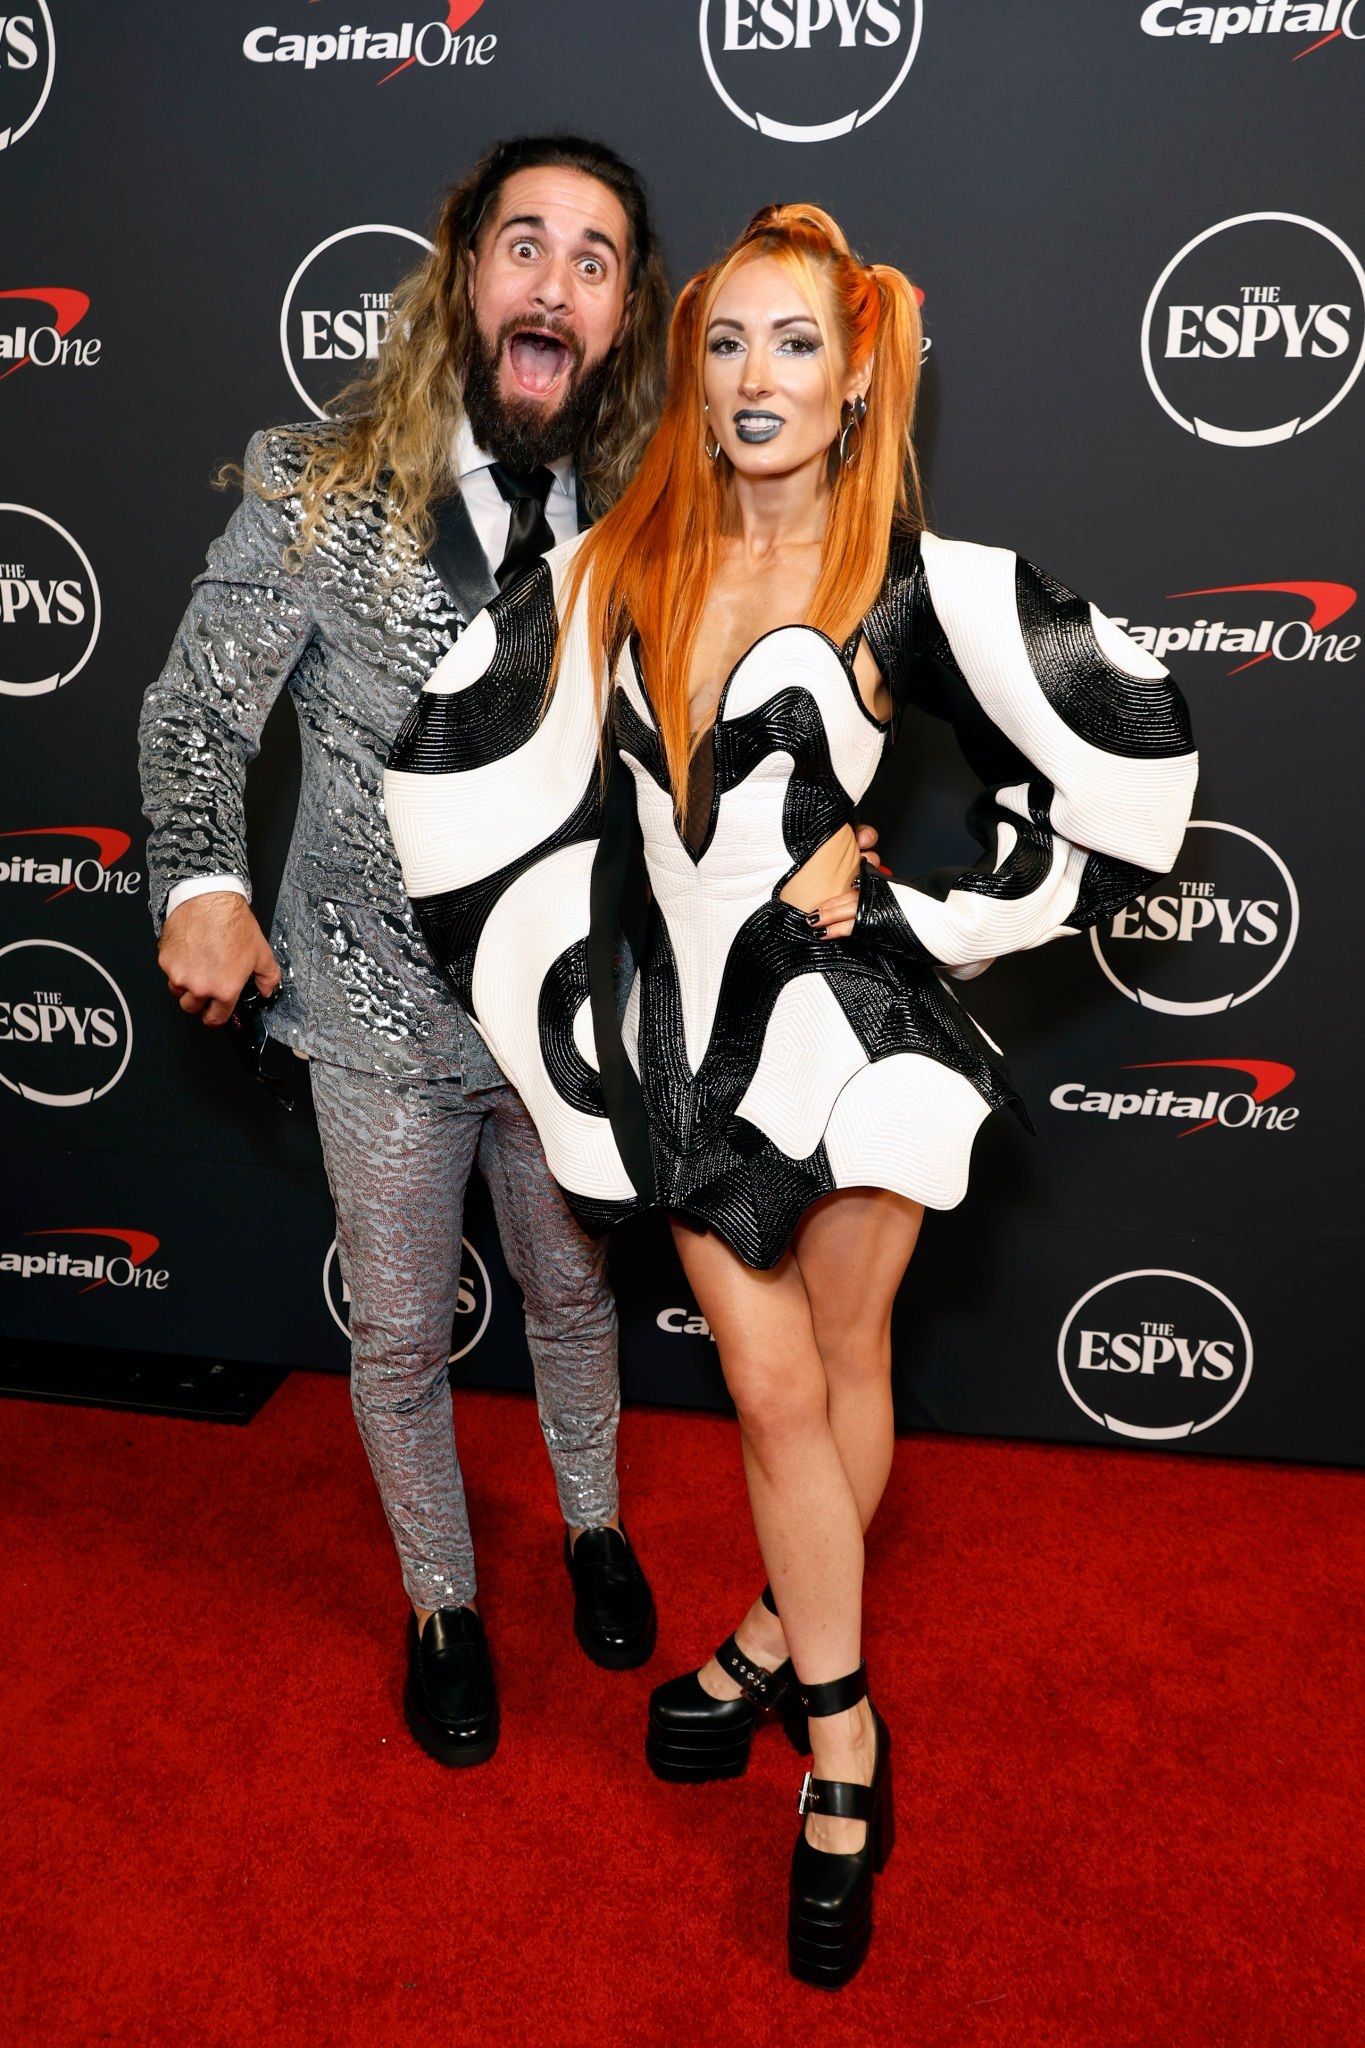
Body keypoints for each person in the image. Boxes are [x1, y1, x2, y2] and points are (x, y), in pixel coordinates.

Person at [383, 204, 1198, 1980]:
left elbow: (1124, 739)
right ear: (692, 373)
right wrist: (543, 973)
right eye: (728, 342)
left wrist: (932, 906)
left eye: (797, 343)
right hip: (686, 1043)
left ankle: (771, 1641)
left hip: (853, 1027)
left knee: (836, 1374)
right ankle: (844, 1748)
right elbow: (463, 758)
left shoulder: (909, 580)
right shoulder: (618, 562)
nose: (758, 376)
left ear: (855, 379)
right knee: (769, 1395)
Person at [138, 135, 674, 1771]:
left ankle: (592, 1525)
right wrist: (200, 884)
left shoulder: (649, 516)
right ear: (463, 274)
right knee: (394, 1335)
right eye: (527, 244)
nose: (554, 284)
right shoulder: (316, 486)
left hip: (562, 1011)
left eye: (593, 261)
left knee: (572, 1297)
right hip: (372, 1007)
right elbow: (198, 712)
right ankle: (442, 1604)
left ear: (619, 316)